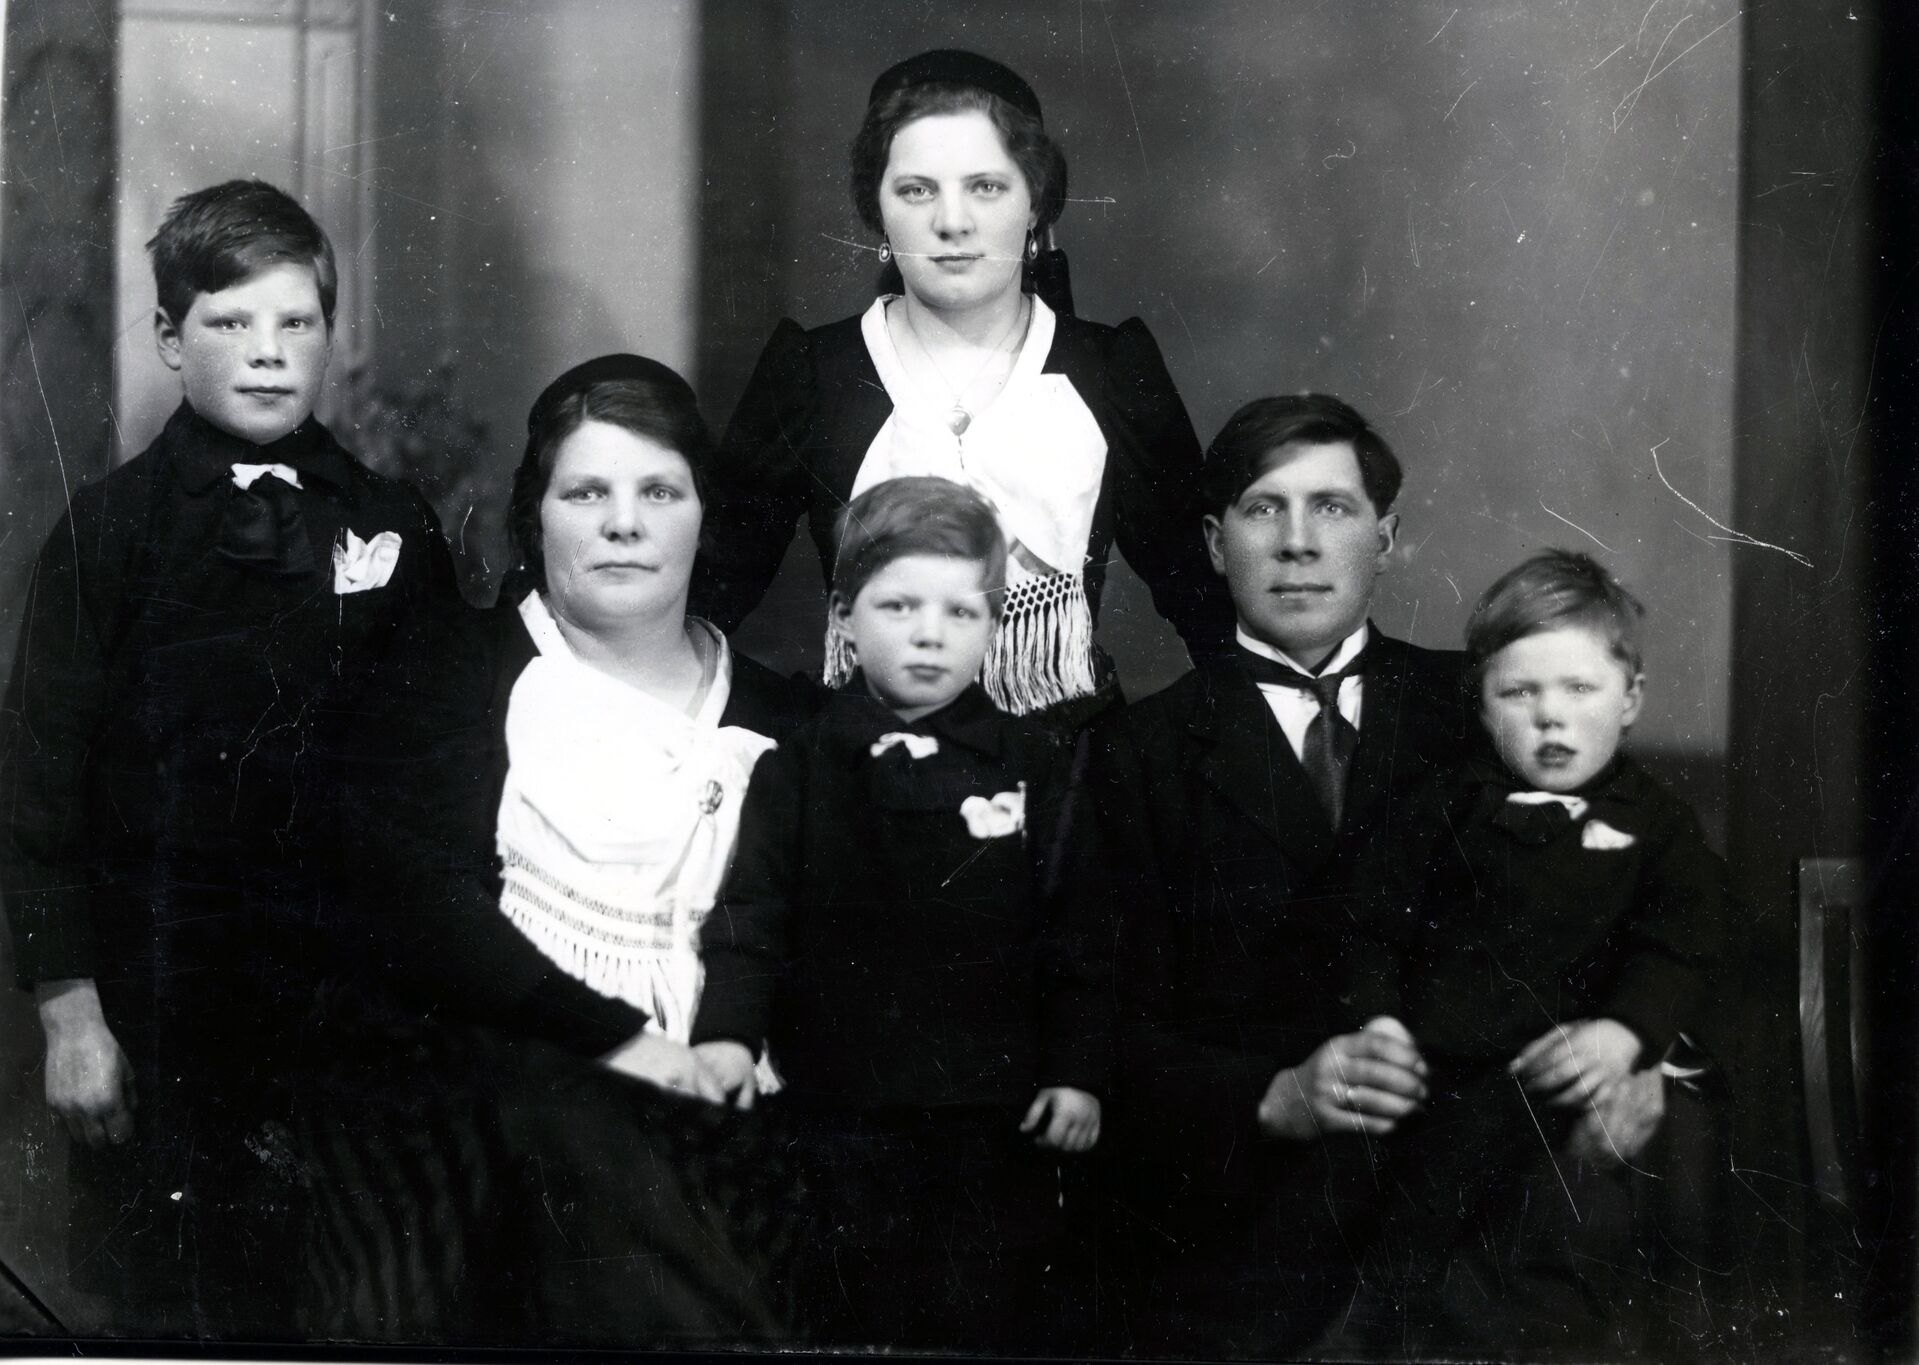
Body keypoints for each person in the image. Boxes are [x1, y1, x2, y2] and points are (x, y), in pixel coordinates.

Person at [0, 179, 459, 1337]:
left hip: (348, 1020)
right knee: (167, 1307)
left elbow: (440, 780)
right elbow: (39, 788)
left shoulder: (392, 523)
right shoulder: (109, 532)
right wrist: (70, 1016)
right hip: (157, 1015)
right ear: (169, 337)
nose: (267, 352)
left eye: (296, 321)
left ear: (328, 335)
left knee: (351, 1303)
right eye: (230, 321)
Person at [304, 353, 819, 1346]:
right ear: (534, 515)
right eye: (586, 493)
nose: (624, 523)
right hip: (498, 1119)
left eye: (658, 492)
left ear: (704, 516)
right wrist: (620, 1047)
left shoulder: (786, 721)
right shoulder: (453, 669)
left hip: (728, 1125)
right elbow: (420, 909)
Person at [691, 476, 1110, 1353]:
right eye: (899, 605)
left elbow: (1077, 932)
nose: (930, 633)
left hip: (991, 1114)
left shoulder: (1035, 764)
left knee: (981, 1311)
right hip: (835, 1109)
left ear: (993, 622)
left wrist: (1075, 1071)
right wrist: (727, 1035)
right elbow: (750, 915)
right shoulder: (798, 766)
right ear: (843, 616)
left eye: (961, 611)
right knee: (844, 1306)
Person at [694, 48, 1233, 724]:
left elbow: (1206, 605)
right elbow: (710, 592)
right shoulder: (814, 372)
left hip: (1068, 764)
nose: (952, 222)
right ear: (878, 211)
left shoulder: (1108, 369)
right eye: (917, 190)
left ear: (1035, 204)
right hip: (870, 761)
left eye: (986, 187)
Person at [1336, 550, 1732, 1359]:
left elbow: (1682, 943)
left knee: (1561, 1252)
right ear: (1481, 704)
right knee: (1411, 1256)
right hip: (1441, 1084)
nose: (1550, 716)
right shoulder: (1441, 809)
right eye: (1518, 692)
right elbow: (1368, 925)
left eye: (1579, 688)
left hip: (1570, 1088)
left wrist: (1624, 1033)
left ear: (1629, 699)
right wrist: (1377, 1021)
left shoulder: (1657, 824)